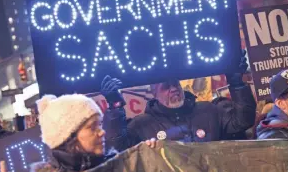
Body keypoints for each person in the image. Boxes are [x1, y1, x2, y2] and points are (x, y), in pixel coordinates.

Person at [102, 50, 257, 151]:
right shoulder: (141, 125)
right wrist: (115, 109)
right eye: (166, 87)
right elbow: (117, 147)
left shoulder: (208, 110)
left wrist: (237, 83)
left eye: (175, 83)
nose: (173, 88)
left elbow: (243, 120)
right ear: (154, 93)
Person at [27, 94, 117, 172]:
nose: (102, 132)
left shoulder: (117, 167)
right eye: (92, 127)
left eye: (100, 124)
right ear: (68, 138)